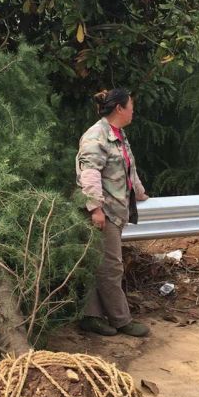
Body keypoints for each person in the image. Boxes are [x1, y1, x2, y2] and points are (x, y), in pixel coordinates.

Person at [75, 88, 151, 338]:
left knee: (102, 264)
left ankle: (91, 316)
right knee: (111, 267)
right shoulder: (96, 136)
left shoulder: (118, 134)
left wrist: (139, 193)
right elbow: (90, 174)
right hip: (104, 212)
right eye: (131, 106)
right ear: (119, 108)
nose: (133, 111)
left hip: (116, 209)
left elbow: (128, 169)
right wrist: (95, 209)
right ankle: (121, 319)